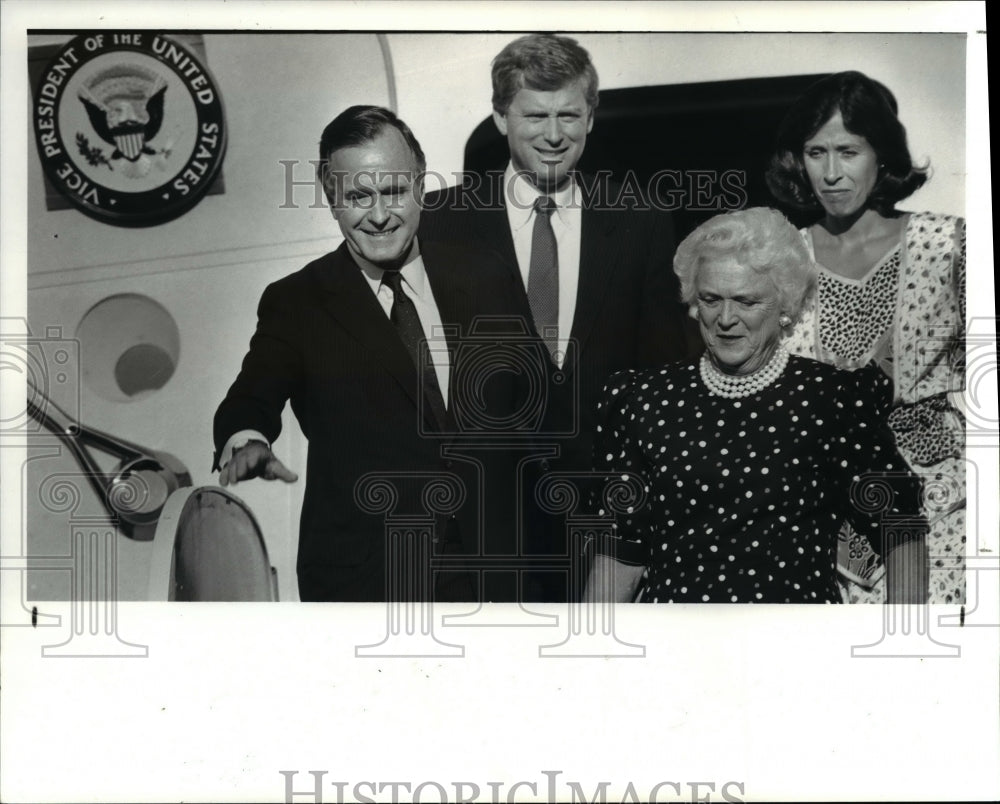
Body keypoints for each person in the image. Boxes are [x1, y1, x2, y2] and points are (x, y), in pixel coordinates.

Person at [421, 33, 699, 601]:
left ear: (591, 117)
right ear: (500, 117)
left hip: (608, 522)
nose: (554, 135)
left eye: (570, 114)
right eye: (536, 115)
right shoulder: (442, 223)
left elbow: (665, 372)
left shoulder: (641, 218)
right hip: (485, 522)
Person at [213, 105, 529, 602]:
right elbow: (251, 397)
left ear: (420, 185)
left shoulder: (485, 276)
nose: (379, 215)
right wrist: (245, 439)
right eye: (358, 196)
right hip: (371, 584)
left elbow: (534, 413)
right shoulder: (298, 301)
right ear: (331, 200)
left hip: (500, 571)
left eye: (394, 192)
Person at [584, 207, 928, 604]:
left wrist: (907, 641)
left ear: (785, 306)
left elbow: (899, 526)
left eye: (745, 301)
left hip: (793, 645)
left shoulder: (830, 400)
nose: (725, 318)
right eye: (711, 299)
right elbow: (621, 551)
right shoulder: (643, 400)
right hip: (675, 644)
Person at [766, 71, 965, 604]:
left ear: (881, 155)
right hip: (822, 522)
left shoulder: (948, 244)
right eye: (816, 152)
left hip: (943, 510)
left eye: (848, 151)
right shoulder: (782, 259)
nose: (831, 173)